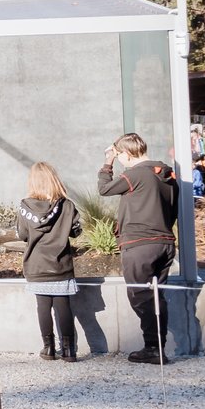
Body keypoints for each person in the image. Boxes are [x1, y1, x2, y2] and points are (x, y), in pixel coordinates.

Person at [99, 132, 182, 364]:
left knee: (140, 295)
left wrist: (107, 162)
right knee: (156, 295)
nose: (120, 160)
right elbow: (174, 210)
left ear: (126, 154)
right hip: (165, 242)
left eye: (119, 156)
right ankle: (157, 346)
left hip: (139, 244)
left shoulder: (134, 175)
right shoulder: (166, 174)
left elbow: (104, 190)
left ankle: (153, 349)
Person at [14, 161, 82, 361]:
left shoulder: (25, 206)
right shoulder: (67, 205)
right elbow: (76, 232)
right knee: (63, 306)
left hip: (37, 264)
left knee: (43, 306)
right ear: (54, 180)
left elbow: (22, 234)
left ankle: (48, 348)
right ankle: (69, 351)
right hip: (60, 264)